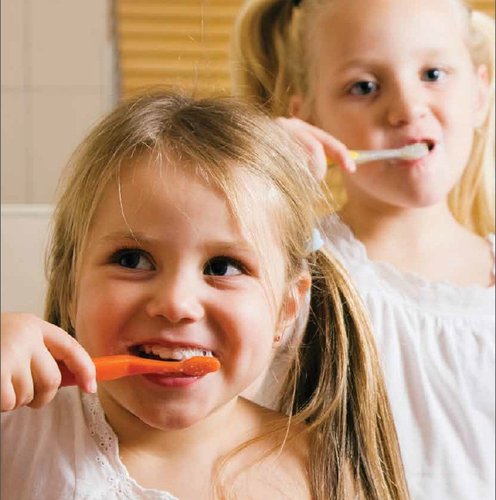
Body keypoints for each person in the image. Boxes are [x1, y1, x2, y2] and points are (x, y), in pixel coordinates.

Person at [1, 91, 409, 499]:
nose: (177, 304)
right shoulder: (18, 431)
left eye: (223, 267)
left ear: (287, 308)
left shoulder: (324, 477)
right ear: (71, 283)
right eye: (132, 259)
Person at [231, 0, 495, 498]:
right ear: (307, 114)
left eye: (433, 73)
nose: (406, 109)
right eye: (364, 87)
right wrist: (255, 179)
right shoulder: (295, 272)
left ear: (480, 93)